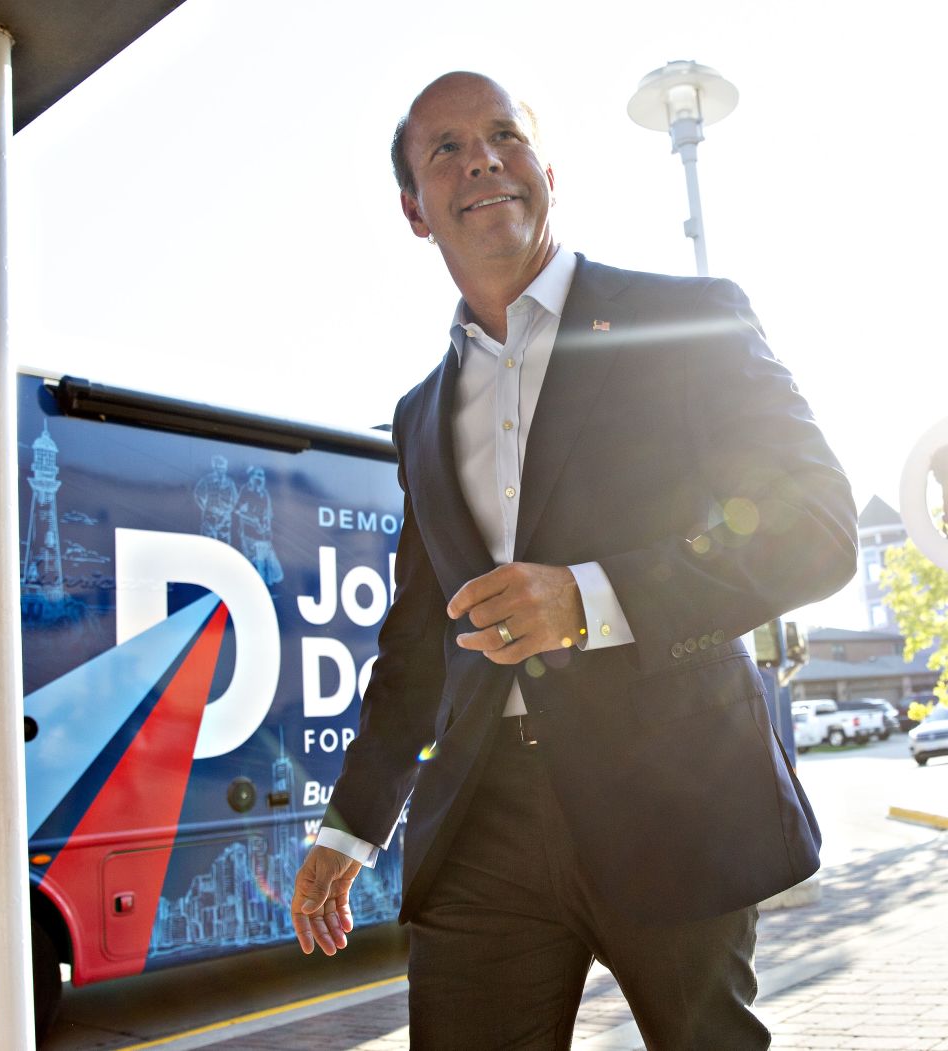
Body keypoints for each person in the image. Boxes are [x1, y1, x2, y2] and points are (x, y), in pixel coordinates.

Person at [287, 71, 857, 1048]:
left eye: (503, 135)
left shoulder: (686, 318)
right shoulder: (420, 416)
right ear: (415, 211)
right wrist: (350, 825)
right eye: (445, 149)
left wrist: (594, 597)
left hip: (670, 797)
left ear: (545, 169)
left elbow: (816, 523)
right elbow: (418, 641)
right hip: (481, 825)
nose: (480, 159)